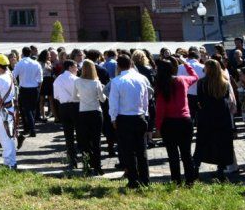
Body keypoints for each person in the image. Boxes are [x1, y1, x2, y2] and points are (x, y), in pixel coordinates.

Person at [154, 55, 199, 185]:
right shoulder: (182, 80)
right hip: (185, 120)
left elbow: (160, 109)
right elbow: (195, 77)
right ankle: (190, 181)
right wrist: (186, 63)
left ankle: (176, 181)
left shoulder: (161, 85)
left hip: (168, 123)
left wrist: (158, 127)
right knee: (186, 153)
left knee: (172, 155)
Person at [109, 54, 152, 188]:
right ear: (131, 64)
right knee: (141, 150)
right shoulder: (142, 78)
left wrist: (113, 118)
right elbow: (146, 99)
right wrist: (145, 113)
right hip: (139, 116)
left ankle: (133, 180)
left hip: (124, 118)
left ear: (119, 66)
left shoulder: (116, 81)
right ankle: (145, 179)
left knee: (128, 151)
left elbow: (113, 103)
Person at [194, 59, 236, 179]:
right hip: (223, 116)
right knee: (222, 143)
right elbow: (227, 98)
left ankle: (196, 166)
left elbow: (200, 100)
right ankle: (221, 169)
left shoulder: (201, 83)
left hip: (206, 116)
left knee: (202, 142)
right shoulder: (225, 83)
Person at [73, 60, 106, 175]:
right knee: (96, 141)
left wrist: (83, 97)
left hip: (83, 112)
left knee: (85, 142)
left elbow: (74, 97)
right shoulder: (96, 82)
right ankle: (97, 166)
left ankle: (86, 167)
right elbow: (102, 99)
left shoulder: (77, 81)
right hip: (96, 112)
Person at [0, 53, 19, 170]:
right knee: (10, 136)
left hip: (3, 112)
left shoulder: (0, 79)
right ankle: (11, 161)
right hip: (9, 109)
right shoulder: (9, 75)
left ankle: (8, 163)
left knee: (4, 137)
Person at [53, 59, 80, 169]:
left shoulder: (58, 79)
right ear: (70, 68)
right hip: (76, 106)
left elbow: (56, 96)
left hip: (63, 107)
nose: (77, 69)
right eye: (75, 67)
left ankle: (72, 160)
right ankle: (84, 157)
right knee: (80, 133)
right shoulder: (76, 79)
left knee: (68, 134)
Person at [14, 46, 43, 138]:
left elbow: (13, 75)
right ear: (30, 53)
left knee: (27, 110)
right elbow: (40, 79)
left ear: (22, 53)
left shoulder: (20, 63)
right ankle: (31, 128)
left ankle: (31, 129)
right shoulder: (36, 63)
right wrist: (39, 89)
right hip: (35, 89)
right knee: (32, 109)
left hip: (24, 89)